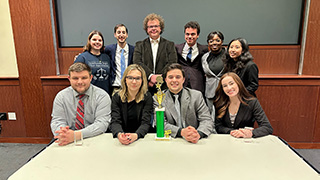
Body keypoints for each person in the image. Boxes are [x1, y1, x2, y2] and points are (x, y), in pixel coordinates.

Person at [51, 63, 111, 146]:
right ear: (69, 79)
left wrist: (76, 135)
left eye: (84, 78)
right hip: (68, 140)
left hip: (94, 137)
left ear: (90, 78)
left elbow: (102, 124)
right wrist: (63, 133)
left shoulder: (102, 96)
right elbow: (57, 121)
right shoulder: (61, 97)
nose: (80, 82)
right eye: (75, 78)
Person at [154, 63, 214, 143]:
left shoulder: (196, 95)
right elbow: (160, 124)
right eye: (170, 77)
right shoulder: (158, 98)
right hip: (171, 140)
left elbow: (206, 120)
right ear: (166, 80)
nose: (174, 80)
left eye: (178, 77)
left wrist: (198, 134)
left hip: (194, 141)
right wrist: (181, 132)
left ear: (183, 79)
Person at [213, 72, 273, 138]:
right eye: (225, 86)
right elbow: (218, 126)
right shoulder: (220, 103)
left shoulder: (252, 102)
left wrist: (250, 133)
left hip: (246, 141)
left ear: (238, 84)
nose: (229, 88)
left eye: (231, 83)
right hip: (227, 140)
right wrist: (232, 132)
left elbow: (267, 127)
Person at [133, 13, 177, 94]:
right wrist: (150, 77)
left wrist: (159, 79)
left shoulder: (170, 45)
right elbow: (137, 63)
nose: (153, 29)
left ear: (161, 28)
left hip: (165, 86)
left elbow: (172, 63)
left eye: (156, 26)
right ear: (147, 29)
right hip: (145, 86)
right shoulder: (139, 45)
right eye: (150, 26)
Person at [110, 64, 153, 145]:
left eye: (137, 78)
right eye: (130, 78)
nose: (134, 81)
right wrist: (119, 134)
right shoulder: (117, 97)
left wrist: (136, 135)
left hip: (141, 140)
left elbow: (146, 123)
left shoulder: (147, 97)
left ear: (142, 80)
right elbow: (115, 121)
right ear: (125, 79)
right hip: (121, 140)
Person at [74, 30, 112, 95]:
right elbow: (75, 76)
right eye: (94, 40)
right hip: (88, 94)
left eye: (100, 40)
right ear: (89, 41)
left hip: (105, 94)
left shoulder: (107, 57)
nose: (97, 42)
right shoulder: (82, 57)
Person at [175, 21, 208, 94]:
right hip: (181, 83)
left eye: (193, 34)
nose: (190, 37)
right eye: (187, 34)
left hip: (198, 84)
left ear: (198, 35)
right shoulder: (176, 48)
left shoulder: (204, 49)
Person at [105, 24, 135, 95]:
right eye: (118, 32)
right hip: (115, 88)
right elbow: (97, 53)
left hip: (130, 87)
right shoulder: (109, 49)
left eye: (123, 32)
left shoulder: (133, 50)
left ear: (127, 35)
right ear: (115, 35)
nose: (121, 35)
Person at [201, 31, 226, 112]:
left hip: (225, 91)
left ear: (222, 41)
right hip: (210, 92)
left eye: (217, 40)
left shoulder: (228, 55)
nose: (214, 43)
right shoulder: (204, 57)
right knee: (211, 115)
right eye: (211, 41)